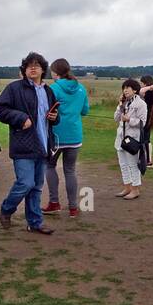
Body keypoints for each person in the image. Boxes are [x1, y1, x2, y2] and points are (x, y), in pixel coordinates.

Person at [0, 53, 56, 235]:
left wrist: (54, 117)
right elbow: (0, 110)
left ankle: (35, 222)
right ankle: (7, 208)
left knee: (36, 187)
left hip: (43, 145)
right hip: (24, 144)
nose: (33, 68)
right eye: (29, 65)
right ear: (24, 70)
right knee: (26, 183)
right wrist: (20, 118)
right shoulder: (14, 88)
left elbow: (51, 116)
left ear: (43, 69)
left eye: (36, 65)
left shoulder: (48, 91)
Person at [44, 58, 89, 216]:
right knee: (70, 170)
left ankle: (54, 202)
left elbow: (46, 111)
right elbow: (85, 111)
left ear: (55, 72)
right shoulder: (81, 88)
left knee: (49, 166)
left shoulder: (53, 88)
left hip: (56, 136)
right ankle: (73, 208)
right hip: (75, 136)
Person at [114, 77, 149, 199]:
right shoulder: (124, 102)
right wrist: (120, 106)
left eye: (128, 88)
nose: (125, 90)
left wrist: (129, 119)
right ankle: (127, 187)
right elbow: (116, 118)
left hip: (132, 139)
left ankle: (135, 189)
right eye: (124, 88)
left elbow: (142, 123)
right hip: (121, 137)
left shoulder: (141, 104)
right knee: (123, 164)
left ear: (135, 90)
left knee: (132, 164)